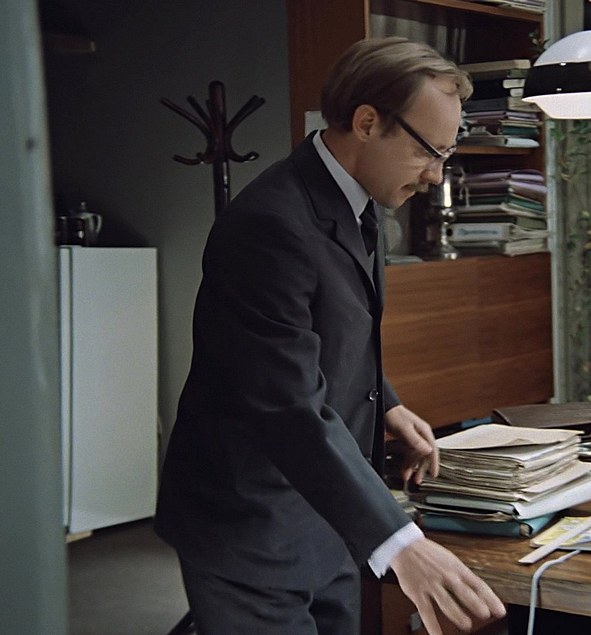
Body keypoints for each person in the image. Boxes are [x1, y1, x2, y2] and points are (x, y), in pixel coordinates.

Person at [155, 37, 506, 635]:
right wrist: (401, 544)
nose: (435, 175)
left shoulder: (361, 204)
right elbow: (284, 401)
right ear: (367, 123)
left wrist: (387, 405)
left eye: (447, 153)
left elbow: (323, 335)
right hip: (249, 521)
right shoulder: (269, 225)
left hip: (327, 514)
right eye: (429, 151)